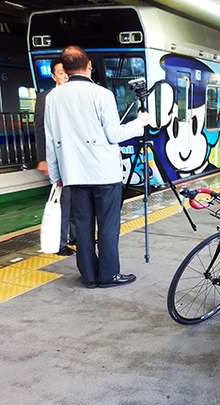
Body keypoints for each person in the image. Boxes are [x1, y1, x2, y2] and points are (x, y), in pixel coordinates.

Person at [45, 46, 150, 288]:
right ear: (89, 65)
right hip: (104, 173)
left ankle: (89, 277)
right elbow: (114, 135)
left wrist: (56, 175)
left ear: (65, 69)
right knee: (107, 226)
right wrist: (140, 123)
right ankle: (109, 275)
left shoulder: (53, 97)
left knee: (82, 227)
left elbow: (51, 140)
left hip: (73, 174)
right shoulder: (102, 94)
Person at [34, 60, 76, 256]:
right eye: (60, 73)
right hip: (58, 158)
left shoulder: (77, 94)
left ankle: (76, 236)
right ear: (53, 76)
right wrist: (43, 159)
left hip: (77, 158)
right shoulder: (45, 97)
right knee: (63, 201)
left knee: (78, 198)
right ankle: (60, 243)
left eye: (67, 72)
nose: (65, 76)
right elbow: (41, 130)